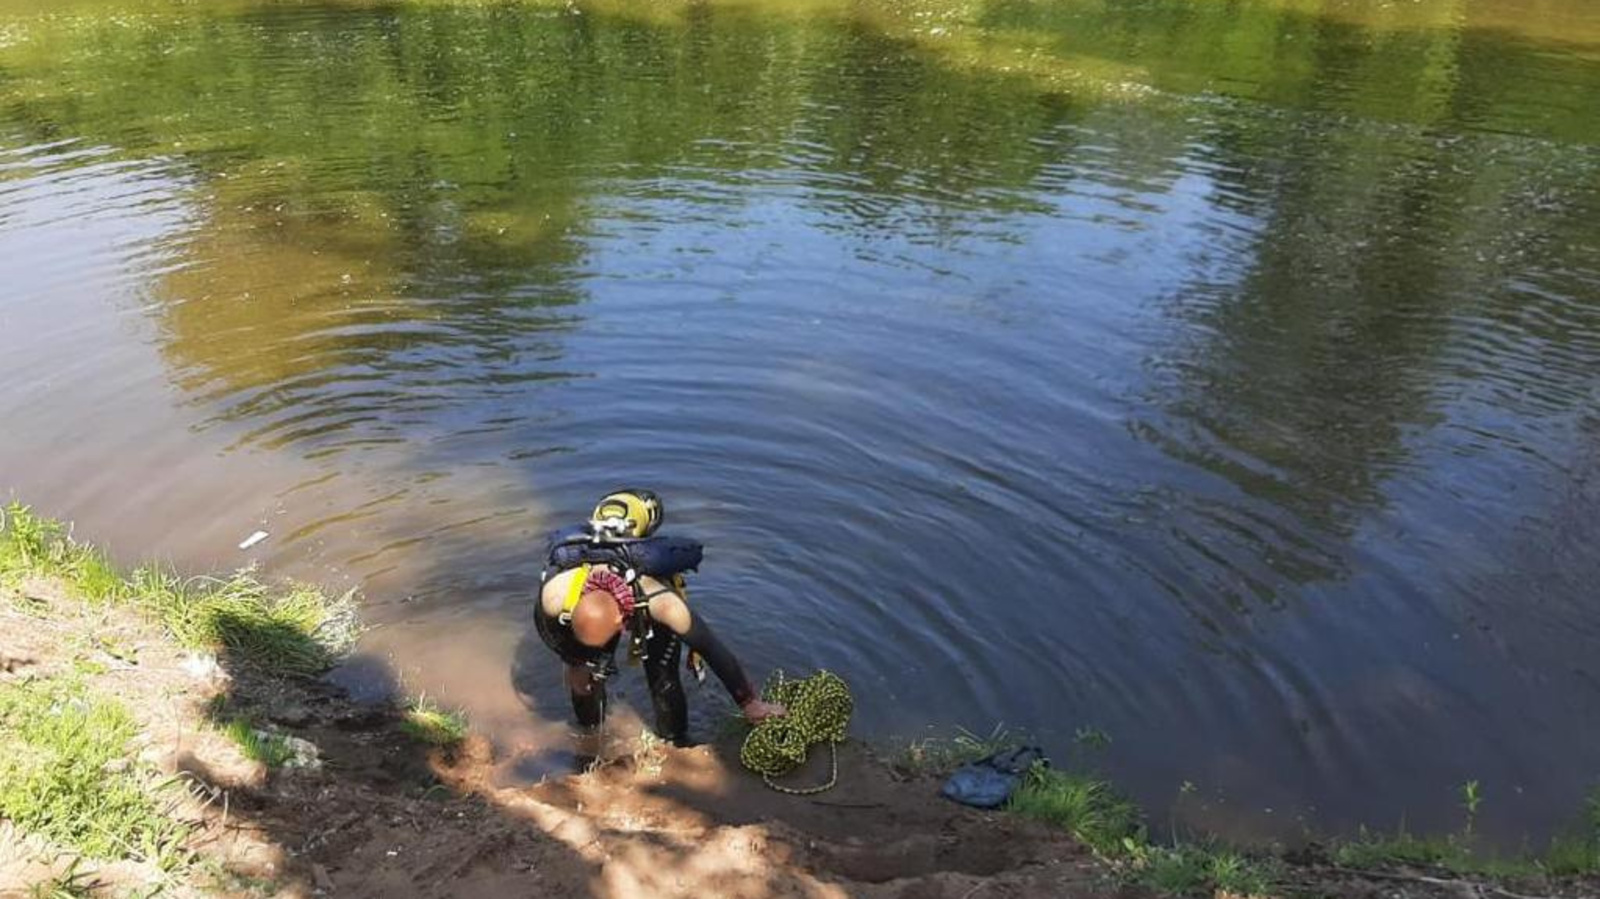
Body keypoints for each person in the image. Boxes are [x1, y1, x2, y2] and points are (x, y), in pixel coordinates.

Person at [534, 489, 785, 747]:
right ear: (571, 612)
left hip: (642, 513)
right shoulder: (554, 597)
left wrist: (749, 703)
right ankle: (589, 732)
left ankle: (676, 741)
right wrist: (576, 661)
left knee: (663, 674)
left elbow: (709, 646)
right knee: (583, 674)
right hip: (600, 558)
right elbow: (557, 641)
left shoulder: (662, 603)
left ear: (621, 621)